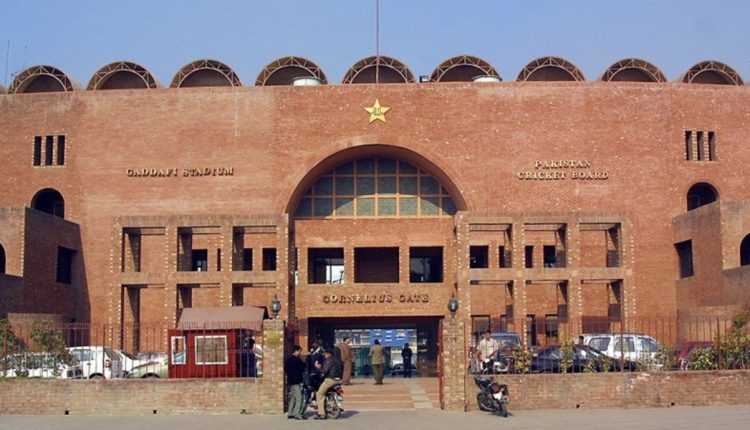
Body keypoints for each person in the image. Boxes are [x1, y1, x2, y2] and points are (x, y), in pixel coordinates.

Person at [314, 348, 342, 420]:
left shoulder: (329, 361)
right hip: (338, 380)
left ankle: (321, 414)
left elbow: (324, 371)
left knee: (319, 394)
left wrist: (318, 367)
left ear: (329, 354)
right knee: (328, 392)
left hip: (330, 380)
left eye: (325, 354)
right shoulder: (337, 361)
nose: (324, 355)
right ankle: (332, 405)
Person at [284, 345, 307, 420]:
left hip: (290, 380)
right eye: (300, 351)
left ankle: (290, 413)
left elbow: (286, 370)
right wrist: (307, 358)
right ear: (296, 351)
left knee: (293, 397)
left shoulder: (288, 360)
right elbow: (303, 366)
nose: (300, 353)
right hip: (296, 381)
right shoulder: (297, 360)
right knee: (299, 397)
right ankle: (297, 414)